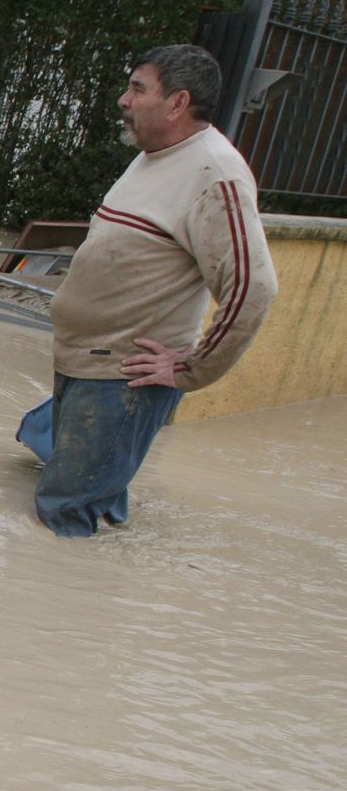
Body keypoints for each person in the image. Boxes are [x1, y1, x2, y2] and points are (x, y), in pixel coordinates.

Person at [36, 44, 277, 537]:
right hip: (87, 365)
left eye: (138, 88)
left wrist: (190, 367)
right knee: (87, 503)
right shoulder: (154, 156)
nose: (124, 99)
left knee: (62, 516)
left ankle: (61, 609)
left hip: (122, 379)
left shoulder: (216, 175)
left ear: (177, 103)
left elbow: (253, 289)